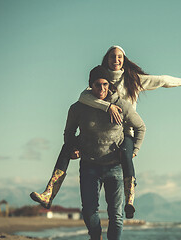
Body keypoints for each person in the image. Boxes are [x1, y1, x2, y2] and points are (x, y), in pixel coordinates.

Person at [30, 45, 181, 218]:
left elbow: (162, 80)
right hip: (98, 131)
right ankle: (49, 193)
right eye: (112, 57)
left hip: (125, 131)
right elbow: (84, 97)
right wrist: (108, 106)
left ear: (124, 60)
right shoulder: (99, 79)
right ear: (106, 59)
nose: (116, 60)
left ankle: (130, 202)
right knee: (67, 147)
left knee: (127, 153)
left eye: (119, 57)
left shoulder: (134, 80)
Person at [67, 65, 145, 240]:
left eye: (105, 84)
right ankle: (96, 237)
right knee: (88, 210)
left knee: (116, 215)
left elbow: (140, 127)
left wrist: (134, 151)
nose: (101, 89)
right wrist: (73, 148)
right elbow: (69, 133)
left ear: (109, 84)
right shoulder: (78, 108)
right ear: (90, 85)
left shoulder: (122, 105)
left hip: (114, 167)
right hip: (89, 165)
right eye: (97, 85)